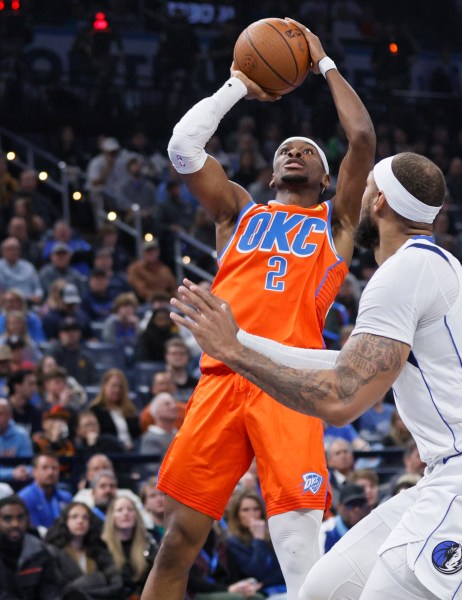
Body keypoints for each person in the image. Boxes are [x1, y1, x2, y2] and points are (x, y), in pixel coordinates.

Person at [173, 151, 462, 600]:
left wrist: (236, 355)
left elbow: (341, 399)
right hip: (459, 469)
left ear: (378, 202)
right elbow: (345, 365)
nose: (354, 198)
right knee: (322, 591)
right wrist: (239, 341)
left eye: (365, 191)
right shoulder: (423, 266)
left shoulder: (405, 272)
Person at [143, 17, 375, 600]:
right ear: (272, 172)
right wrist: (240, 85)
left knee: (299, 551)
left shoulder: (335, 224)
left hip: (288, 381)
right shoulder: (238, 214)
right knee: (177, 544)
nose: (296, 152)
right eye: (286, 149)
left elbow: (364, 141)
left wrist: (322, 62)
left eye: (308, 152)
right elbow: (181, 147)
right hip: (222, 379)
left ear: (325, 178)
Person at [45, 501, 125, 599]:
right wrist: (99, 579)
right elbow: (62, 589)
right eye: (74, 517)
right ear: (65, 521)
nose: (80, 521)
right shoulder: (53, 552)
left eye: (85, 518)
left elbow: (116, 584)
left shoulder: (98, 550)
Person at [224, 489, 286, 597]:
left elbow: (283, 571)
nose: (252, 514)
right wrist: (258, 539)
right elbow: (256, 572)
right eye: (245, 510)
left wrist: (263, 583)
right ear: (237, 515)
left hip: (280, 588)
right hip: (258, 594)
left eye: (256, 509)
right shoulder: (233, 542)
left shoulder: (272, 534)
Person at [0, 494, 61, 599]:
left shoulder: (39, 550)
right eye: (7, 519)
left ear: (27, 519)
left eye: (20, 518)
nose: (15, 524)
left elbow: (50, 590)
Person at [103, 495, 158, 598]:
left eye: (130, 509)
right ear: (112, 517)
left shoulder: (149, 541)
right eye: (120, 510)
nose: (126, 513)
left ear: (136, 515)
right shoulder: (102, 546)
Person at [18, 452, 73, 531]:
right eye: (45, 468)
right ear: (34, 472)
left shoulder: (66, 497)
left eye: (54, 468)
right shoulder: (24, 498)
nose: (50, 472)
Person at [318, 483, 370, 555]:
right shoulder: (325, 531)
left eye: (360, 503)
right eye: (351, 504)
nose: (357, 509)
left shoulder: (372, 528)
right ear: (339, 507)